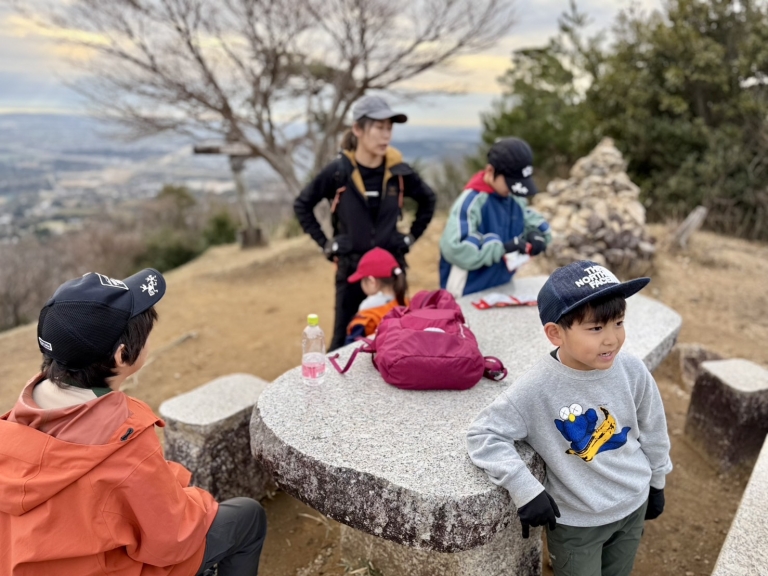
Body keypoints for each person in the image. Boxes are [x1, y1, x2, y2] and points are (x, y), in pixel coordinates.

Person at [0, 269, 267, 576]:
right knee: (248, 517)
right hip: (111, 566)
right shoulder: (123, 438)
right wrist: (195, 501)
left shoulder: (17, 418)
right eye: (146, 333)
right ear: (122, 355)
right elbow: (173, 539)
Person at [466, 261, 672, 576]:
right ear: (555, 333)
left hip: (634, 503)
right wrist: (526, 489)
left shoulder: (632, 370)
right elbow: (483, 435)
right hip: (578, 522)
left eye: (618, 322)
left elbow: (654, 430)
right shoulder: (537, 388)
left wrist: (657, 482)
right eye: (596, 328)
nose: (612, 339)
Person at [294, 95, 436, 350]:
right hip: (352, 271)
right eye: (379, 127)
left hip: (391, 273)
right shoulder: (338, 172)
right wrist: (327, 244)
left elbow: (428, 200)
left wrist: (409, 238)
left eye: (389, 128)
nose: (386, 135)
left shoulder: (399, 172)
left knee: (396, 337)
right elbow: (302, 204)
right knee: (343, 341)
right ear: (357, 130)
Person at [439, 137, 552, 297]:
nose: (514, 190)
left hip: (501, 287)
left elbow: (528, 220)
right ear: (491, 171)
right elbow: (455, 247)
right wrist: (502, 248)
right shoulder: (471, 201)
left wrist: (536, 235)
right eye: (511, 183)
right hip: (467, 292)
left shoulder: (514, 198)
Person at [344, 247, 407, 345]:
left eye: (362, 279)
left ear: (372, 282)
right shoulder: (407, 303)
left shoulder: (367, 317)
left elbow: (349, 350)